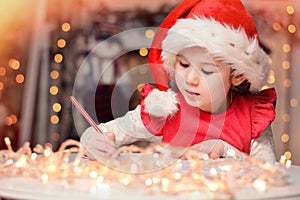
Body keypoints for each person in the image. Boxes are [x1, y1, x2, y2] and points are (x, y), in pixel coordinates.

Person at [80, 0, 276, 163]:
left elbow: (269, 170)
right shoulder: (165, 109)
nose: (190, 79)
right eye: (183, 65)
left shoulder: (253, 116)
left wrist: (225, 150)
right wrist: (93, 141)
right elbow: (100, 132)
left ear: (238, 75)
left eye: (206, 70)